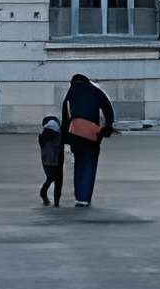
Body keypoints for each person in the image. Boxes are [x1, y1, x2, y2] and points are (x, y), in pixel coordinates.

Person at [61, 73, 114, 208]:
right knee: (90, 165)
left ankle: (79, 197)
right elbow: (108, 109)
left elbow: (65, 118)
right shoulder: (95, 91)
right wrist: (107, 128)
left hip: (75, 135)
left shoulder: (71, 93)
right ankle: (85, 198)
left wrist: (64, 139)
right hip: (92, 135)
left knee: (79, 164)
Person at [37, 111, 65, 208]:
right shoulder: (59, 134)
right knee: (58, 180)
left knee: (50, 178)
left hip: (46, 161)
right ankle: (56, 202)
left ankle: (43, 193)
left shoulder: (42, 136)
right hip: (57, 160)